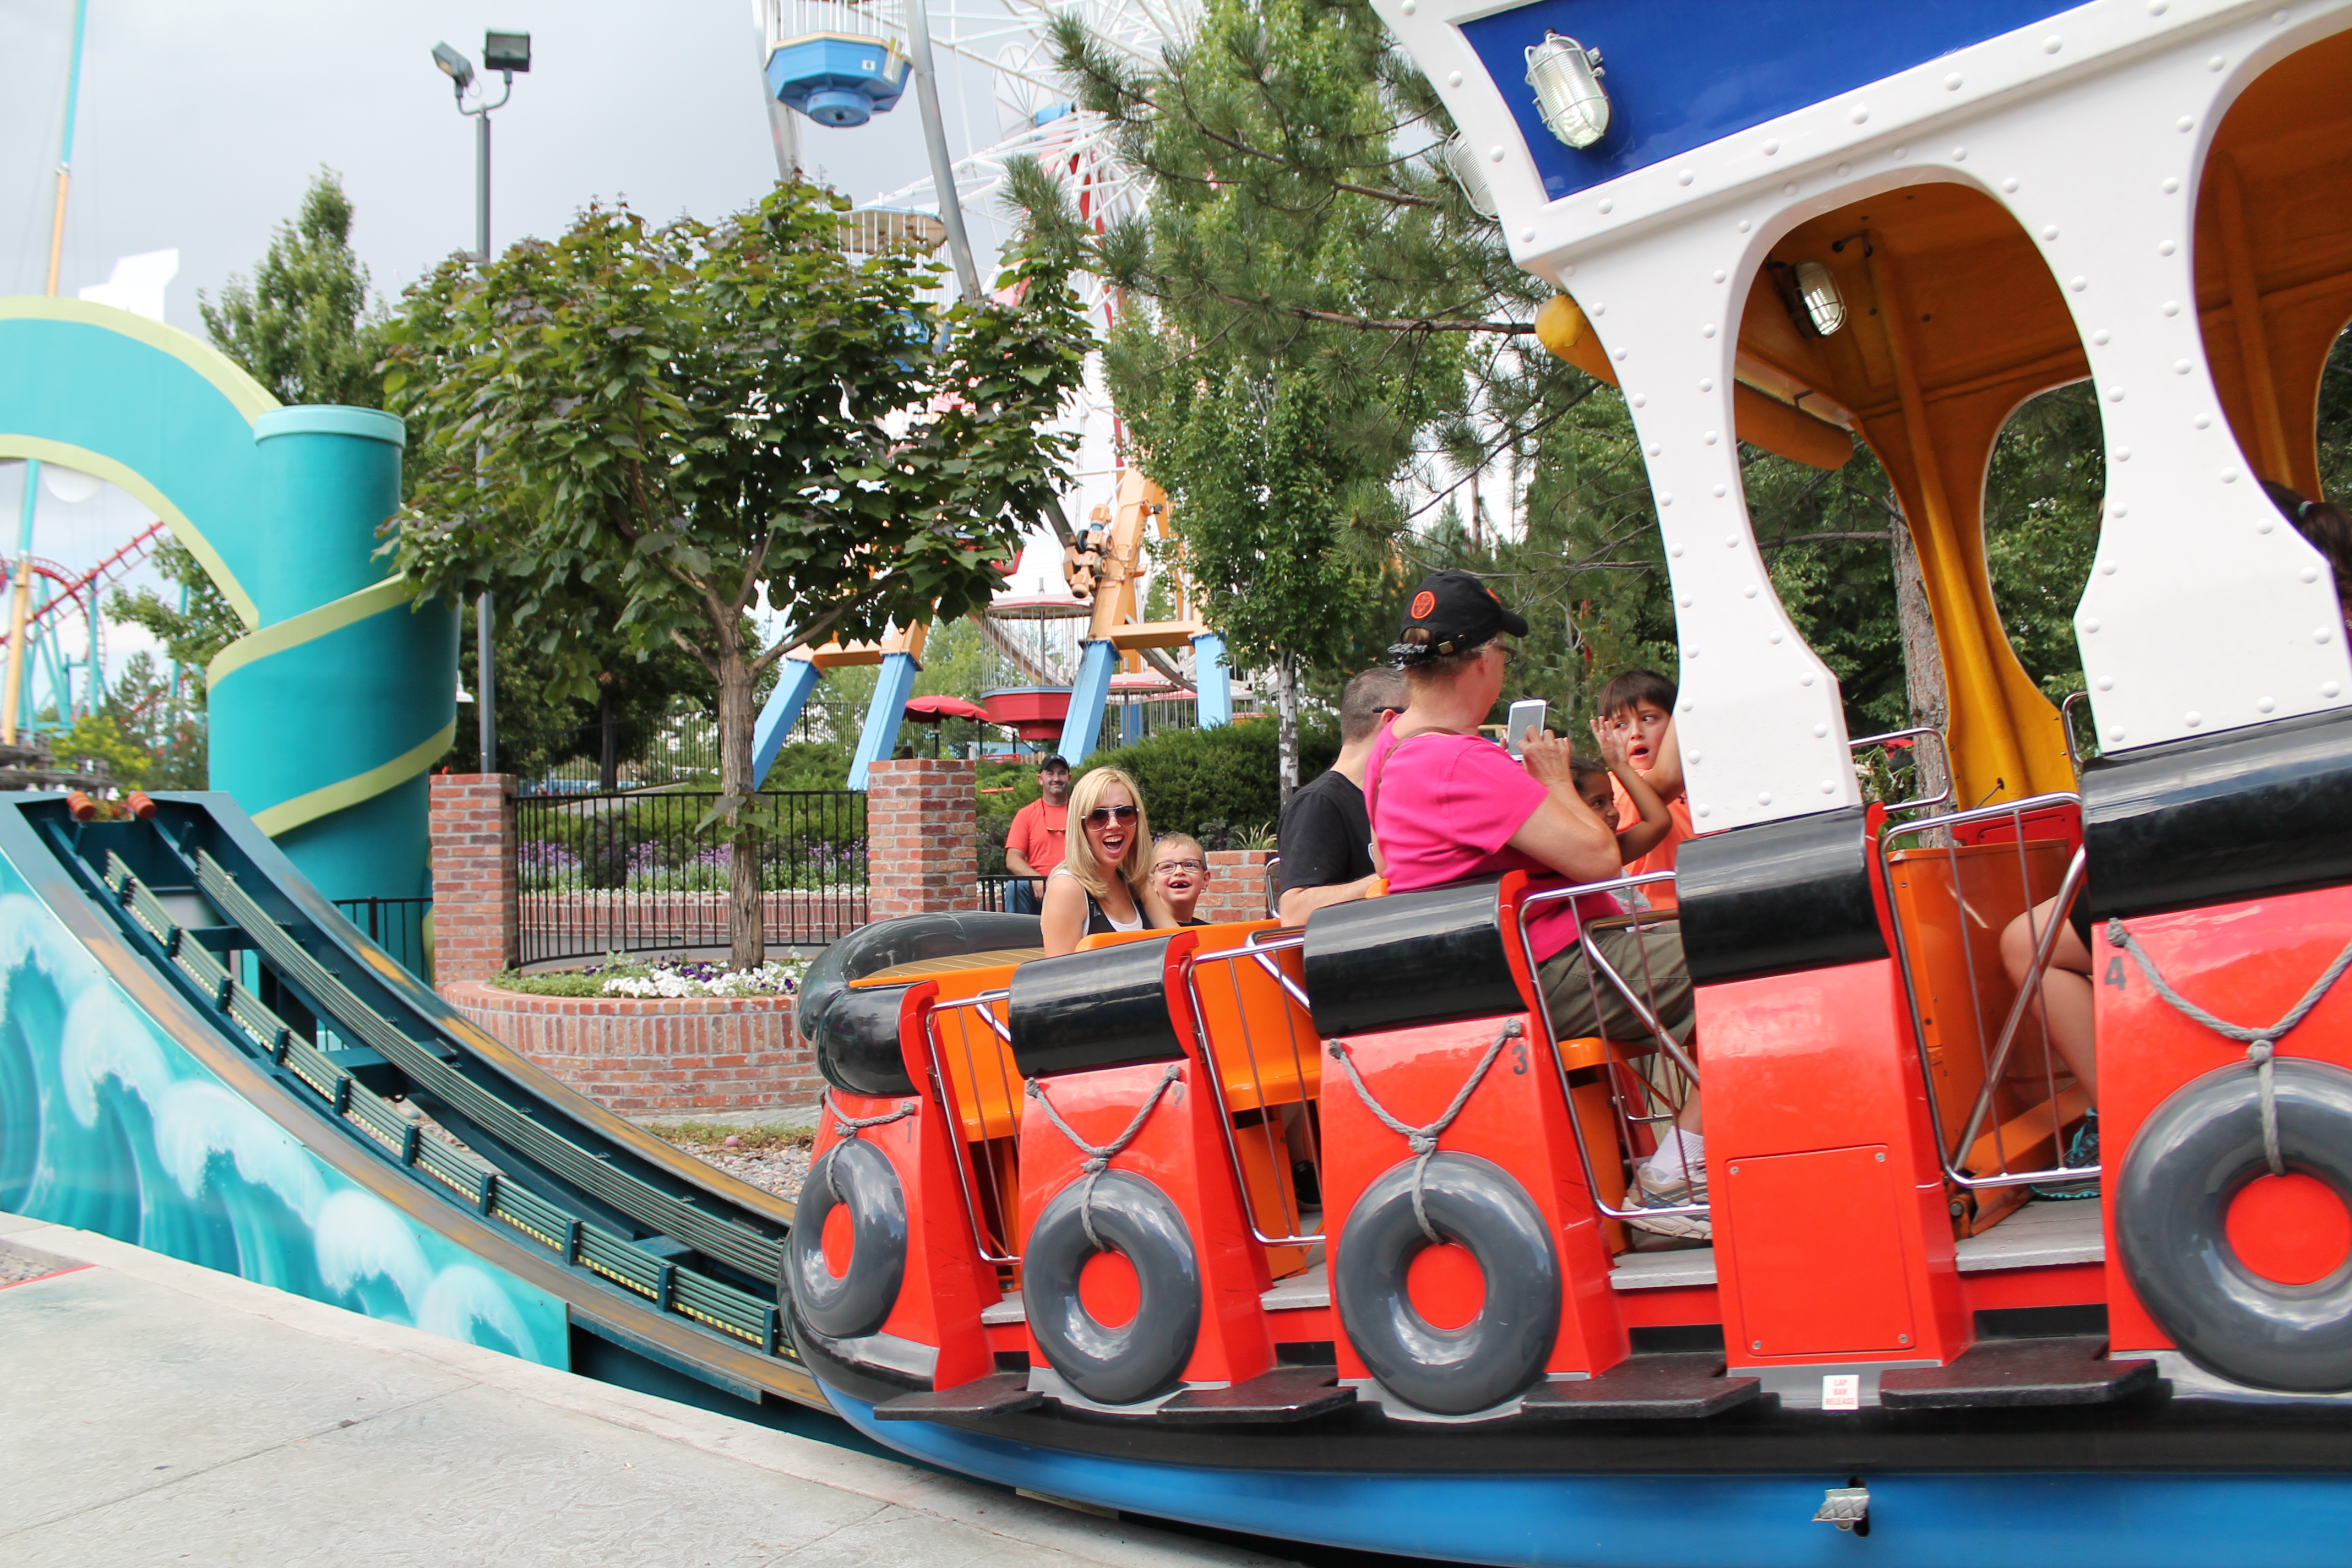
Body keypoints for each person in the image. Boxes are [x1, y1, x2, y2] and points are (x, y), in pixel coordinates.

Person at [1368, 570, 1708, 1238]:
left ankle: (1688, 1161)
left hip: (1508, 962)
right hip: (1546, 965)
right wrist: (1552, 780)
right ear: (1484, 660)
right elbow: (1599, 857)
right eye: (1504, 655)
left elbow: (1384, 858)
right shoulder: (1459, 763)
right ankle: (1672, 1181)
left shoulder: (1393, 745)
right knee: (1749, 954)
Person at [1276, 668, 1408, 924]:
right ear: (1390, 720)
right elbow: (1294, 912)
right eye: (1417, 717)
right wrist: (1391, 878)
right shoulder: (1318, 802)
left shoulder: (1387, 797)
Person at [1041, 766, 1175, 955]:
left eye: (1125, 813)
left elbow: (1182, 945)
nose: (1114, 824)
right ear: (1080, 827)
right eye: (1098, 816)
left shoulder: (1136, 884)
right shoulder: (1067, 890)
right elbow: (1057, 979)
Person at [1598, 670, 1695, 909]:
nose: (1636, 733)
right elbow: (1665, 781)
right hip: (1657, 922)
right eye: (1621, 725)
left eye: (1649, 719)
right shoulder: (1614, 787)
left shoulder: (1701, 781)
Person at [1004, 753, 1072, 916]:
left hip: (1074, 881)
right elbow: (1012, 859)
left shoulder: (1081, 813)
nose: (1056, 778)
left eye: (1062, 773)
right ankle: (1016, 938)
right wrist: (1034, 877)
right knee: (1015, 887)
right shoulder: (1026, 815)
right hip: (1038, 887)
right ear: (1040, 779)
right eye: (1050, 773)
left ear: (1069, 778)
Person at [1150, 833, 1212, 925]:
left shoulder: (1211, 934)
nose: (1179, 871)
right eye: (1167, 867)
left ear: (1205, 879)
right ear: (1153, 882)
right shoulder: (1140, 933)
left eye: (1190, 865)